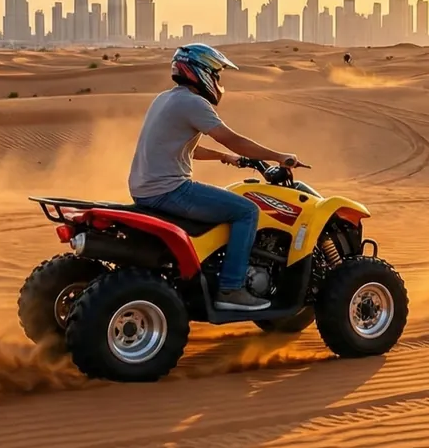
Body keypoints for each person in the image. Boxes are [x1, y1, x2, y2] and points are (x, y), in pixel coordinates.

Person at [129, 43, 305, 311]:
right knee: (246, 211)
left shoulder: (165, 99)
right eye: (217, 74)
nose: (218, 81)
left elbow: (183, 147)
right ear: (202, 72)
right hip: (170, 191)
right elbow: (233, 140)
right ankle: (231, 289)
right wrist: (279, 156)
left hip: (145, 191)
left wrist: (224, 157)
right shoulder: (193, 103)